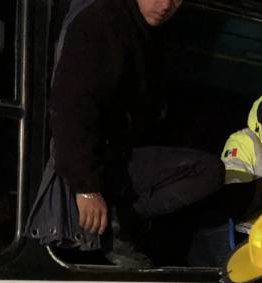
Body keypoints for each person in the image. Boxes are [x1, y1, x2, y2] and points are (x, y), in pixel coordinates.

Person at [29, 0, 224, 268]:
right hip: (94, 165)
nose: (166, 5)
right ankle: (118, 223)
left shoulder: (148, 34)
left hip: (120, 159)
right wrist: (87, 189)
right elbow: (72, 109)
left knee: (208, 171)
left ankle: (123, 219)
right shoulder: (101, 22)